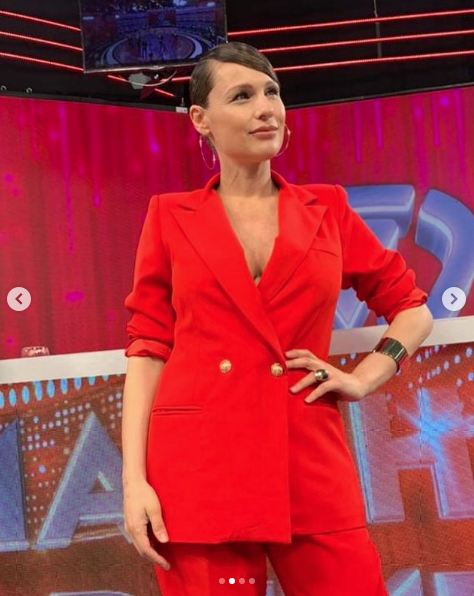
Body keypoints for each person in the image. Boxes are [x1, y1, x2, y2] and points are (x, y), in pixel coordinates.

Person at [122, 41, 433, 596]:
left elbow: (411, 308)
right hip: (199, 470)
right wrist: (133, 483)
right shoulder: (169, 216)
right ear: (201, 120)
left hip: (308, 460)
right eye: (242, 96)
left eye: (272, 92)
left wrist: (365, 376)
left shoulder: (327, 208)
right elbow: (147, 350)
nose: (266, 108)